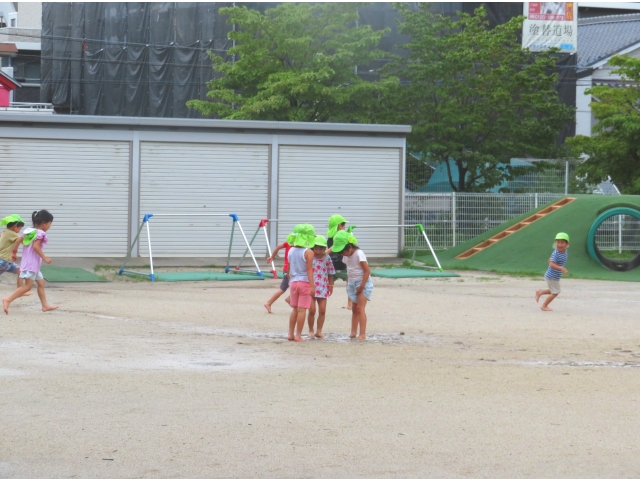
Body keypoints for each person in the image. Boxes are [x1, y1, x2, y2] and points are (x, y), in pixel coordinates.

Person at [3, 210, 58, 314]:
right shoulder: (40, 233)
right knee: (27, 286)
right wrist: (45, 258)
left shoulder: (29, 231)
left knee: (41, 283)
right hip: (31, 265)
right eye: (50, 224)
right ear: (44, 223)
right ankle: (8, 299)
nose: (50, 226)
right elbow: (36, 247)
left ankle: (45, 305)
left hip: (31, 264)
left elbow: (18, 241)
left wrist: (14, 252)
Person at [331, 230, 373, 340]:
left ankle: (362, 334)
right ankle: (353, 332)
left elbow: (367, 271)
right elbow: (350, 269)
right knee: (354, 308)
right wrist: (349, 284)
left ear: (350, 247)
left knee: (360, 308)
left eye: (343, 252)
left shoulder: (359, 254)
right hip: (352, 282)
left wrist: (361, 286)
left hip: (363, 282)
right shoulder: (346, 256)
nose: (342, 255)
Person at [287, 224, 315, 342]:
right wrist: (312, 285)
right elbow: (309, 269)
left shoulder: (291, 250)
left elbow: (288, 268)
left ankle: (290, 334)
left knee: (294, 309)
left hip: (293, 282)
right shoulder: (308, 252)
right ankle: (298, 335)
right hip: (304, 282)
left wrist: (290, 280)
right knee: (302, 310)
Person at [307, 235, 335, 339]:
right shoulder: (309, 257)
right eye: (315, 249)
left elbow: (330, 272)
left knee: (322, 310)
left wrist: (331, 285)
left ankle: (319, 331)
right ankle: (311, 330)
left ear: (324, 249)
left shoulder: (327, 258)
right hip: (310, 286)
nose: (318, 251)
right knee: (312, 310)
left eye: (320, 249)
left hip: (323, 286)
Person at [536, 232, 569, 312]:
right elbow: (551, 264)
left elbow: (552, 261)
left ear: (567, 244)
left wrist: (551, 261)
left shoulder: (564, 252)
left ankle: (540, 292)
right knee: (556, 292)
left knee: (553, 290)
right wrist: (561, 268)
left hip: (554, 276)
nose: (559, 245)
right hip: (551, 276)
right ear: (555, 243)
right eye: (558, 242)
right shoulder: (556, 253)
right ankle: (544, 305)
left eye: (562, 243)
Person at [263, 233, 295, 314]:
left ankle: (289, 299)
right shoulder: (297, 246)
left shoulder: (288, 243)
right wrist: (272, 257)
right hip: (289, 270)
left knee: (290, 286)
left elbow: (278, 247)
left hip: (288, 269)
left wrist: (272, 257)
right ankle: (269, 303)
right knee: (284, 288)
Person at [326, 214, 352, 310]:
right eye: (343, 225)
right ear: (339, 226)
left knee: (323, 285)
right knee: (350, 282)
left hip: (331, 267)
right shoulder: (341, 238)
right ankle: (350, 304)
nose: (344, 227)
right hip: (342, 266)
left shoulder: (329, 238)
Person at [0, 214, 29, 293]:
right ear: (15, 227)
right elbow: (23, 241)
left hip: (8, 261)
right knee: (20, 272)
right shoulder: (11, 233)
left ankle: (19, 291)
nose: (20, 230)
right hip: (4, 261)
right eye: (20, 228)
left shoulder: (5, 231)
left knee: (20, 271)